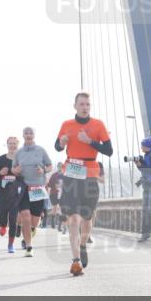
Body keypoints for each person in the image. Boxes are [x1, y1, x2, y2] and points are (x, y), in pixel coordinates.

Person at [55, 92, 112, 275]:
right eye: (81, 104)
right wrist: (61, 142)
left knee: (87, 218)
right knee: (73, 218)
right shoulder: (67, 124)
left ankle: (82, 244)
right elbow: (57, 146)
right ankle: (75, 260)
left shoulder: (98, 124)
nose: (85, 107)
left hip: (90, 175)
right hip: (71, 173)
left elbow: (109, 150)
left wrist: (90, 141)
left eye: (88, 104)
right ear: (75, 106)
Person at [13, 127, 53, 254]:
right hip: (24, 188)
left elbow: (50, 166)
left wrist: (44, 170)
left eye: (31, 133)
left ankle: (28, 232)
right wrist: (15, 170)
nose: (29, 135)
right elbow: (13, 169)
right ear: (23, 135)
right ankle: (29, 246)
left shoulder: (41, 150)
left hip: (38, 189)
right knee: (25, 216)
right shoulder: (18, 152)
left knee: (34, 221)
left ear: (34, 135)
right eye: (26, 133)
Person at [0, 137, 22, 253]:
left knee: (13, 220)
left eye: (14, 143)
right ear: (7, 145)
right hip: (2, 194)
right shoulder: (0, 159)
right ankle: (2, 225)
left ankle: (10, 245)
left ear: (18, 145)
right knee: (3, 217)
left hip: (15, 195)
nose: (12, 145)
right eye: (10, 143)